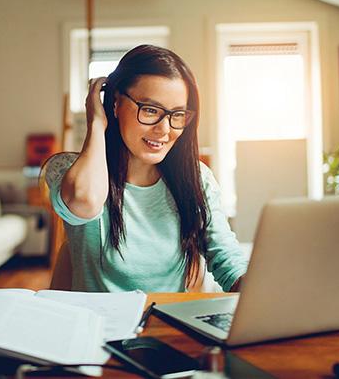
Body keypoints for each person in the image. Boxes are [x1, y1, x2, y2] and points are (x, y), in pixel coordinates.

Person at [44, 44, 248, 292]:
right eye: (150, 110)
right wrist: (96, 123)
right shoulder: (68, 169)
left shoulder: (196, 179)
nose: (164, 129)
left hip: (165, 325)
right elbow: (84, 202)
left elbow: (227, 258)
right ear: (116, 104)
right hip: (98, 326)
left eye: (178, 114)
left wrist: (257, 291)